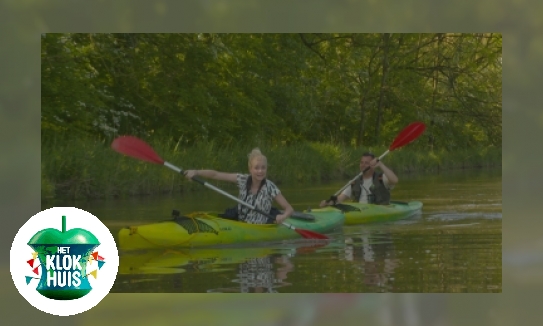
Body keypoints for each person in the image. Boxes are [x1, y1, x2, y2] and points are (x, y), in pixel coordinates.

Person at [183, 148, 294, 225]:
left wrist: (283, 216)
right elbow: (216, 174)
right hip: (241, 223)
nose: (260, 171)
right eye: (256, 168)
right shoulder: (242, 179)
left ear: (266, 169)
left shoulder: (270, 187)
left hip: (260, 227)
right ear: (250, 169)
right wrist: (196, 172)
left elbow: (289, 209)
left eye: (263, 168)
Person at [319, 152, 398, 207]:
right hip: (360, 211)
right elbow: (340, 198)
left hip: (380, 210)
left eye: (366, 163)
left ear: (373, 165)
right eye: (361, 162)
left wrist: (381, 164)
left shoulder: (381, 178)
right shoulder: (354, 181)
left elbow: (395, 180)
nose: (363, 165)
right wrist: (328, 202)